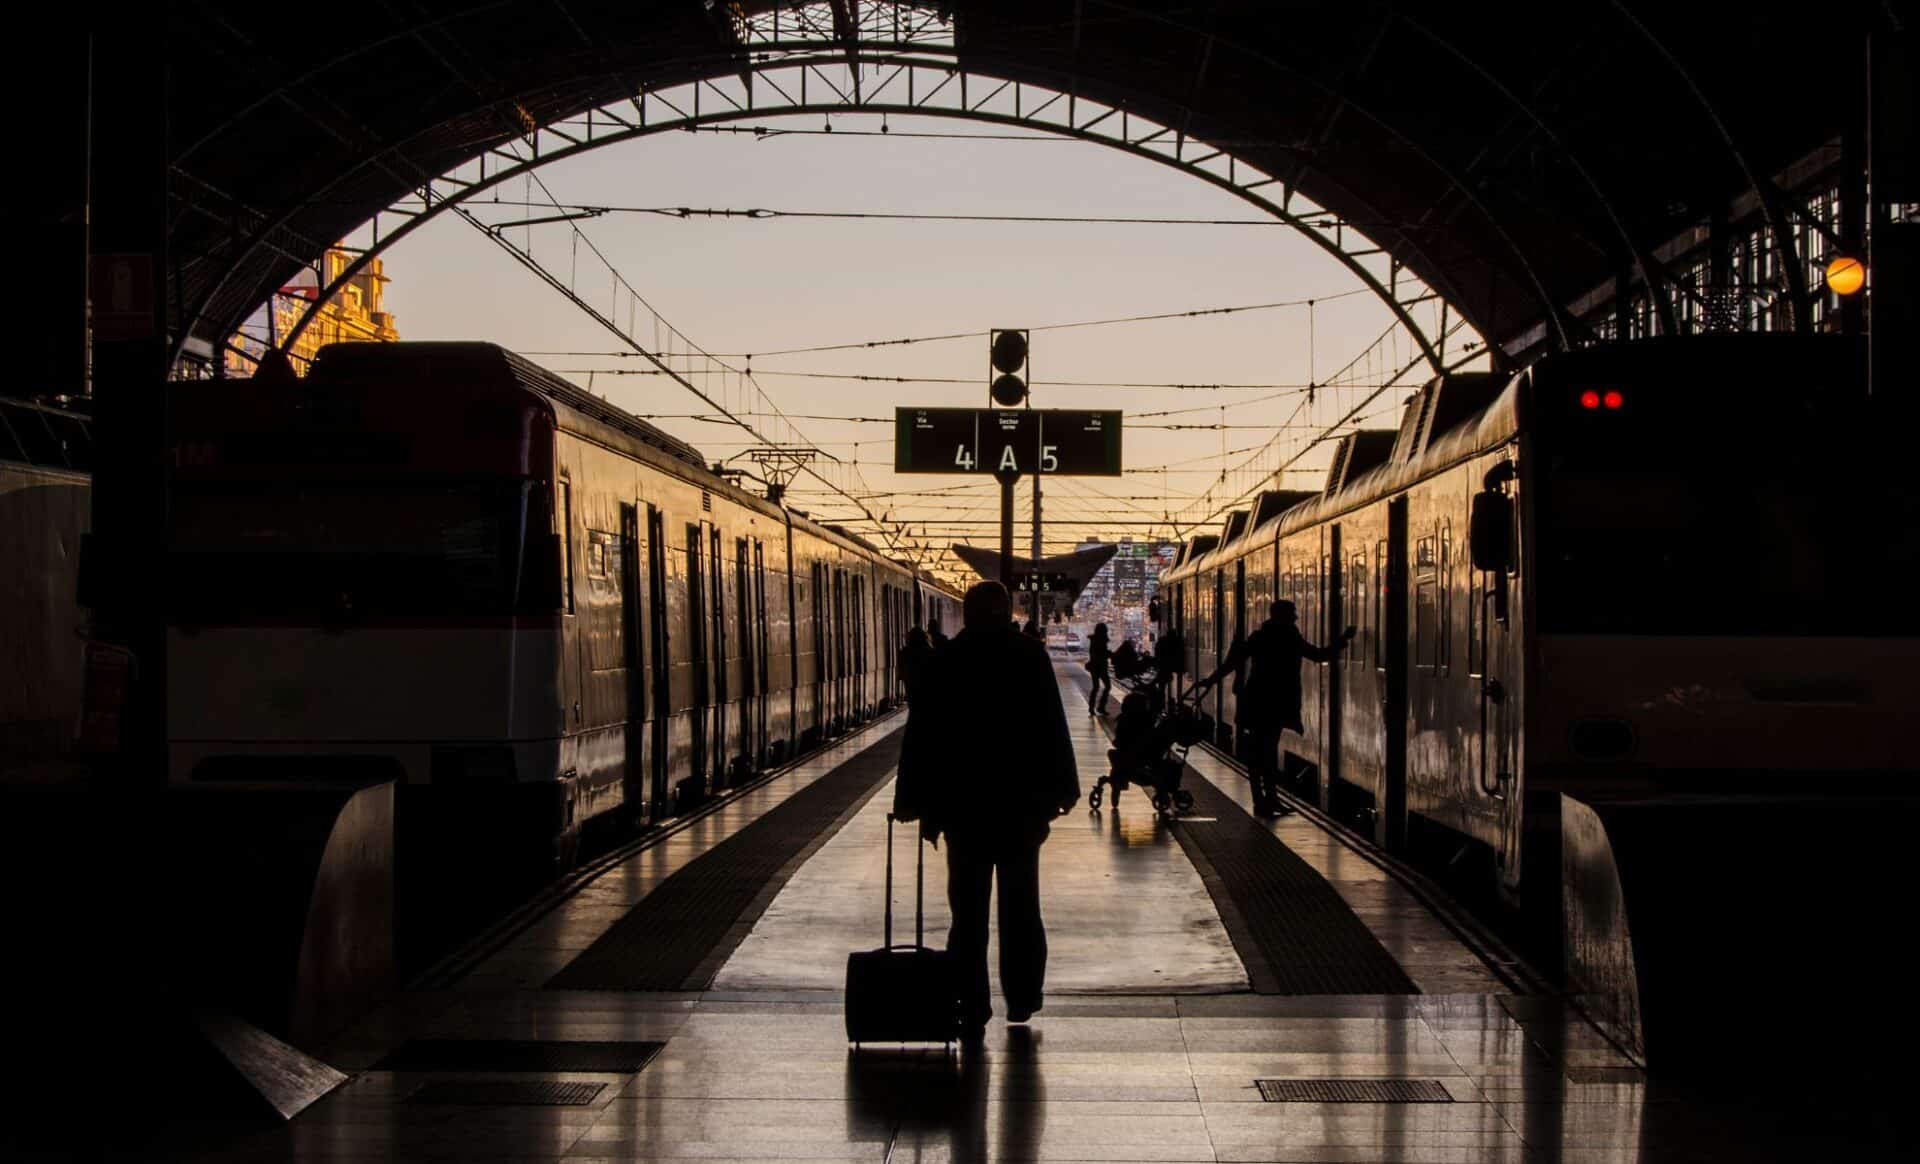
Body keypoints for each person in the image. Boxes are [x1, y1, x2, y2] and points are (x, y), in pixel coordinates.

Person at [895, 581, 1079, 1041]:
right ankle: (1021, 997)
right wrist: (1063, 788)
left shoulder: (947, 661)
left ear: (969, 614)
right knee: (1021, 908)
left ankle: (972, 1002)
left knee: (968, 915)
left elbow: (924, 735)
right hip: (1020, 809)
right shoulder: (1028, 656)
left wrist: (912, 801)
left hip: (964, 810)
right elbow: (1051, 726)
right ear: (1004, 612)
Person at [1193, 600, 1354, 817]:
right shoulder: (1289, 636)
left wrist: (1211, 680)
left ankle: (1264, 800)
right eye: (1293, 613)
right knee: (1267, 752)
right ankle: (1267, 801)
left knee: (1260, 753)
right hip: (1277, 703)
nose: (1296, 617)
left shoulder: (1259, 636)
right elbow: (1318, 655)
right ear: (1284, 616)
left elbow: (1233, 661)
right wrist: (1343, 640)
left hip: (1256, 702)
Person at [897, 625, 933, 701]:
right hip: (926, 683)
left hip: (910, 681)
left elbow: (901, 667)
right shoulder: (929, 650)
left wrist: (902, 676)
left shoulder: (905, 651)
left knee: (913, 703)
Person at [1085, 623, 1113, 716]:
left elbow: (1096, 653)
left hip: (1094, 667)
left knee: (1095, 687)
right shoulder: (1101, 640)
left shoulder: (1094, 640)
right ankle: (1100, 707)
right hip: (1100, 667)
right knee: (1107, 686)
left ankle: (1092, 708)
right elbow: (1102, 653)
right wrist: (1110, 654)